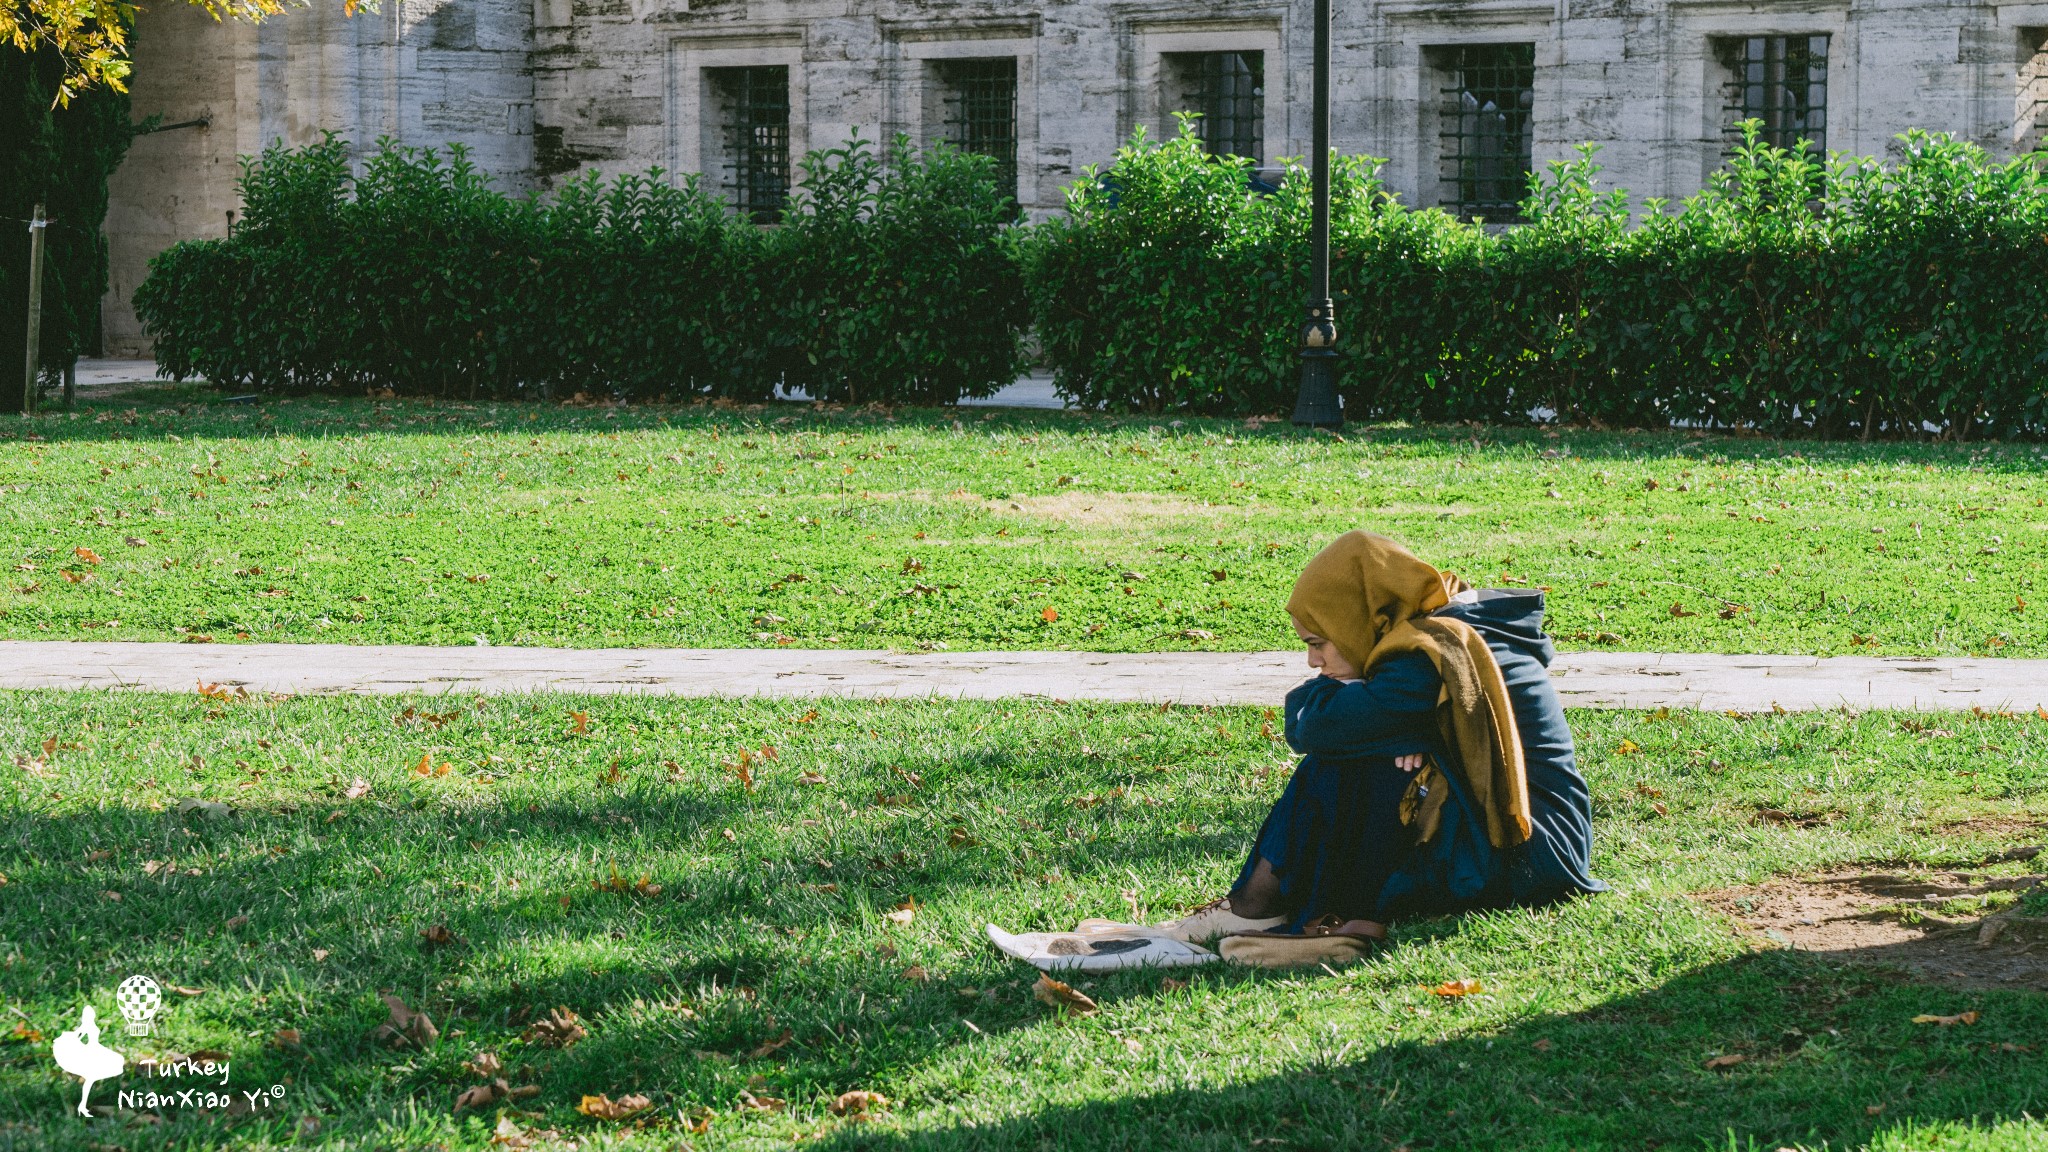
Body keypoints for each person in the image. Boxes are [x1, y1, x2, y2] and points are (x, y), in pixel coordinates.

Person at [1156, 530, 1606, 968]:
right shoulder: (1434, 632)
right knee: (1363, 749)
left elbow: (1313, 727)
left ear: (1363, 619)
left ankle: (1271, 907)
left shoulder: (1428, 654)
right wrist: (1390, 728)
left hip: (1527, 860)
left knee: (1339, 763)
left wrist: (1362, 719)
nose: (1314, 662)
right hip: (1534, 846)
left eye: (1319, 643)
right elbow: (1330, 717)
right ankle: (1290, 907)